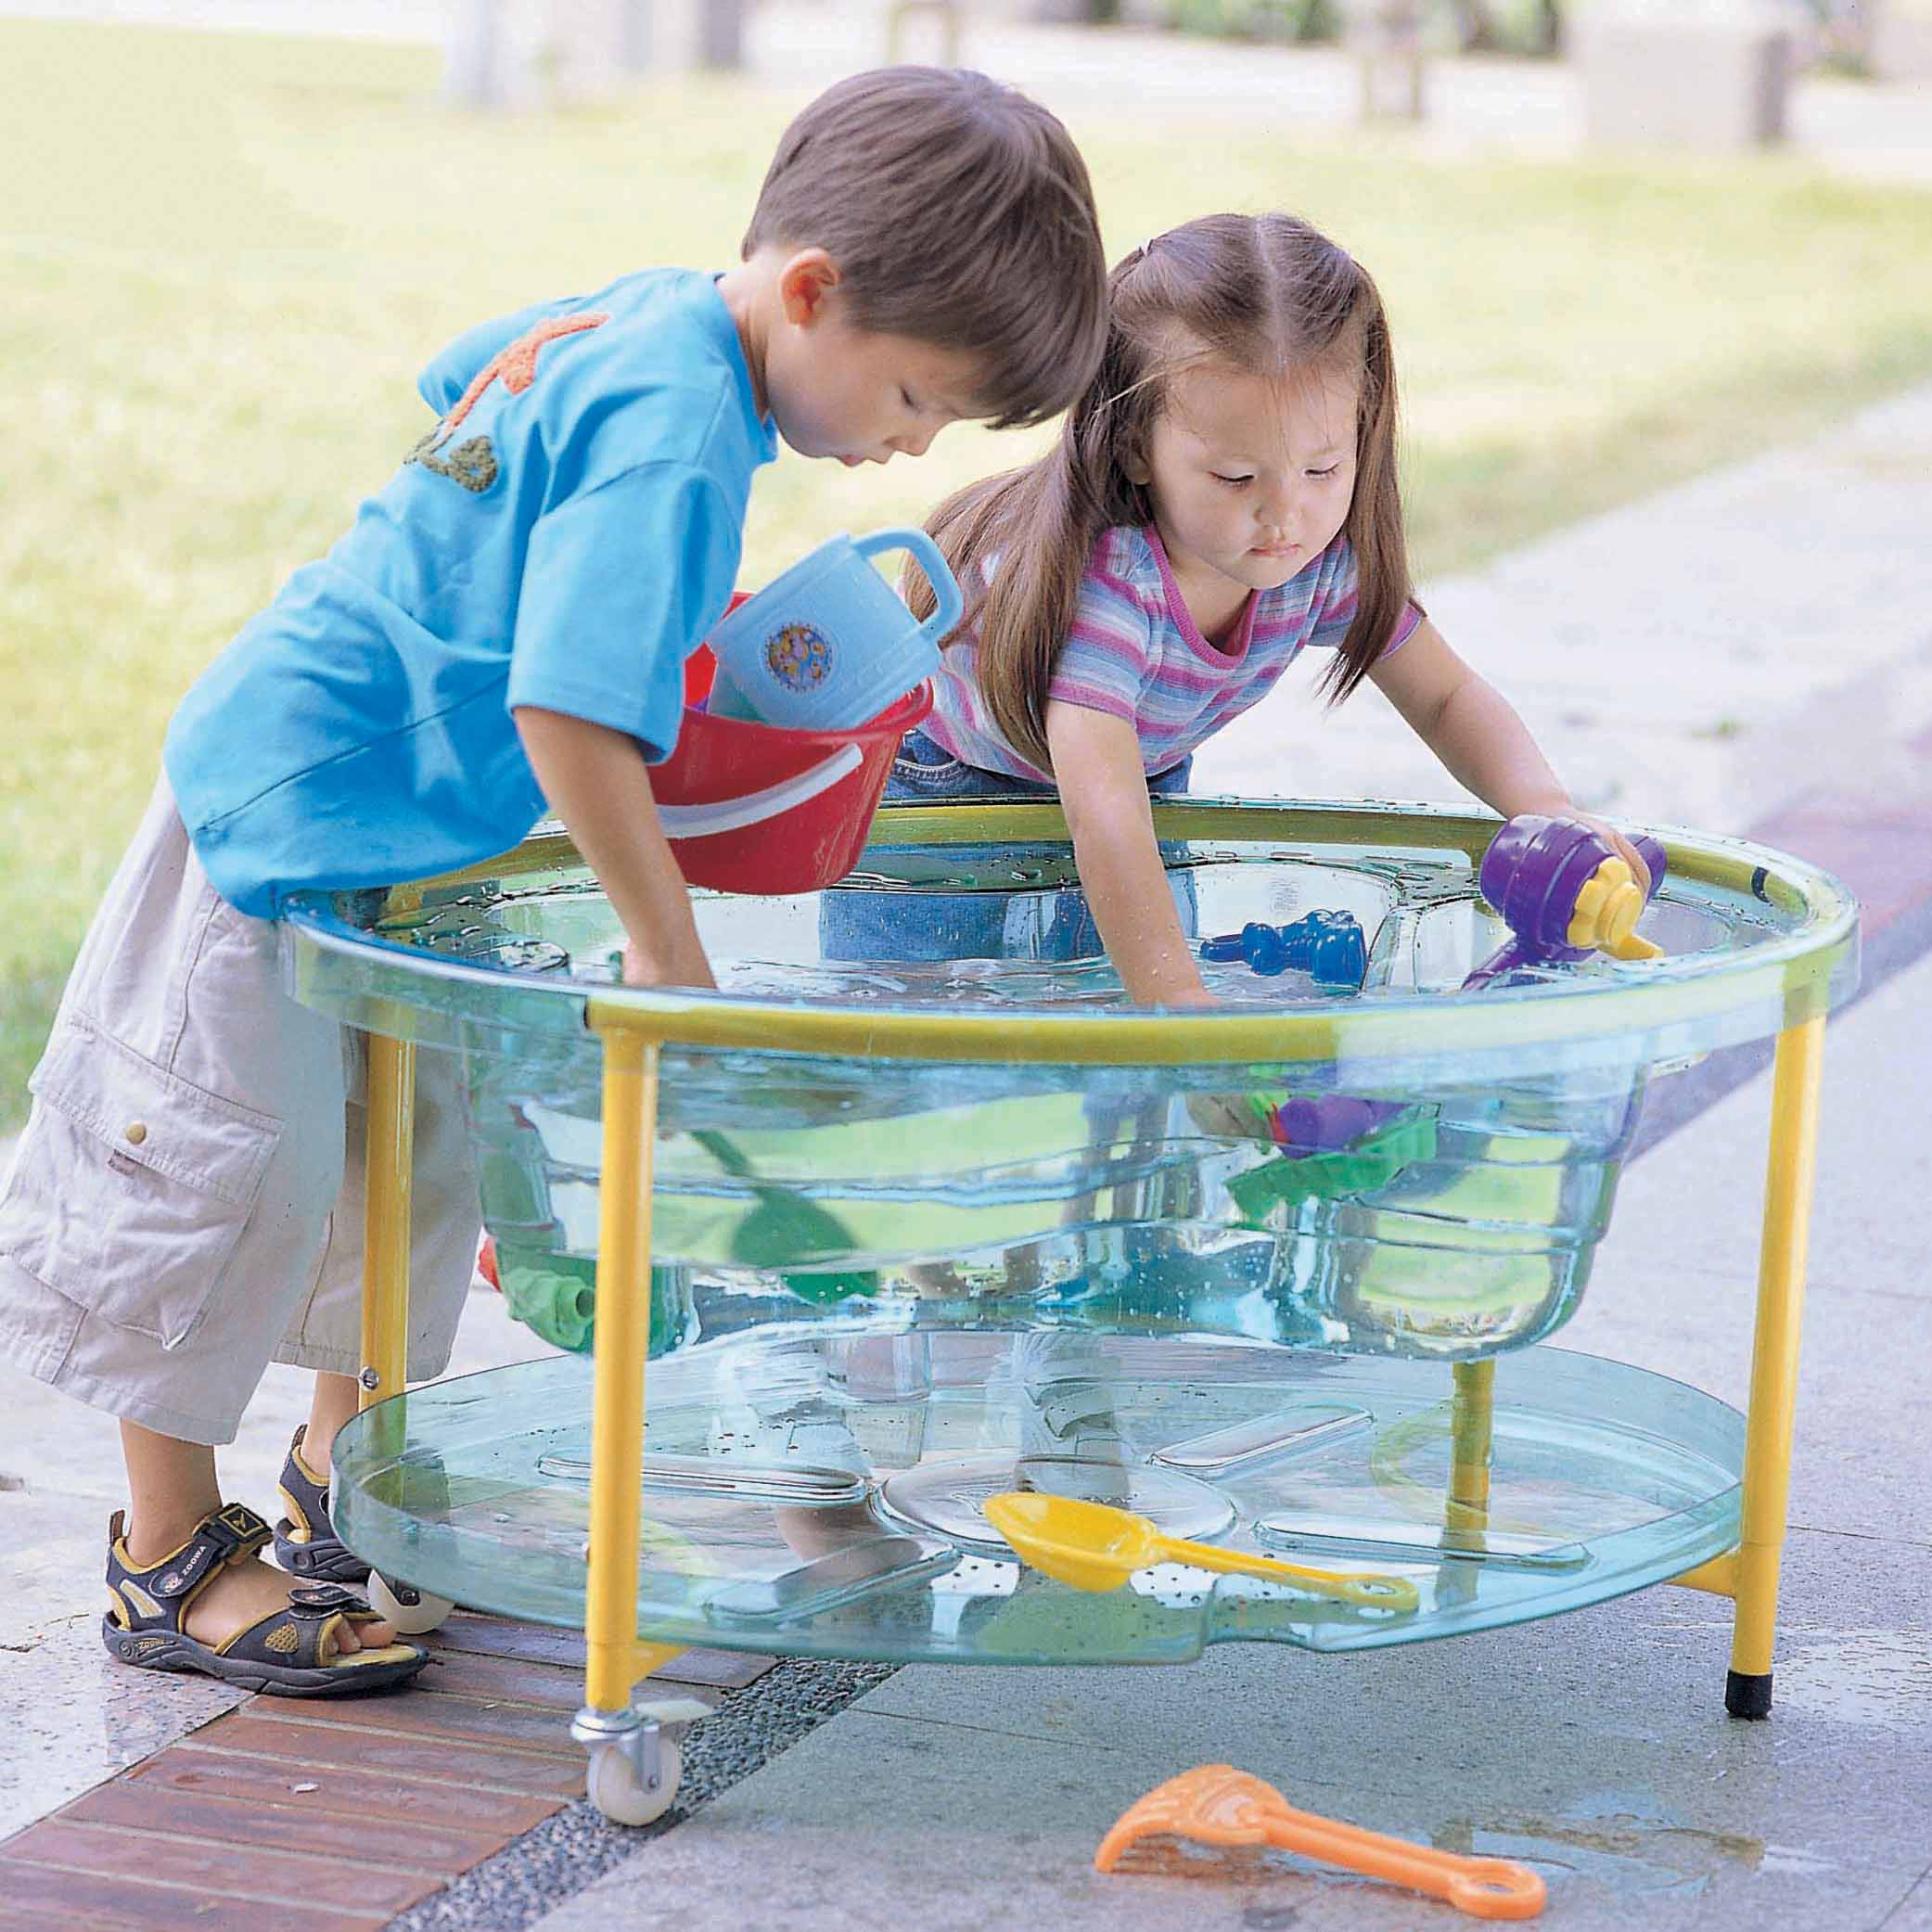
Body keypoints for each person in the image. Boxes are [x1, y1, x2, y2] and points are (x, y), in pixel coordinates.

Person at [0, 66, 1107, 1695]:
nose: (909, 447)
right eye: (914, 400)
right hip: (278, 814)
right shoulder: (682, 441)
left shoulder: (653, 321)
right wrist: (667, 946)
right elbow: (566, 707)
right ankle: (165, 1549)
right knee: (224, 1180)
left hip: (393, 834)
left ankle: (344, 1483)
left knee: (401, 1168)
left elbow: (465, 378)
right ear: (811, 294)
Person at [823, 211, 1649, 1003]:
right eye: (1234, 477)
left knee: (1104, 1005)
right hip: (946, 777)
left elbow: (1445, 695)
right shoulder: (1110, 591)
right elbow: (1104, 817)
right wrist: (1178, 998)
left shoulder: (1321, 565)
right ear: (1132, 447)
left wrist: (1546, 808)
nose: (1284, 513)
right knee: (905, 1010)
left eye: (1323, 469)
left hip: (1135, 774)